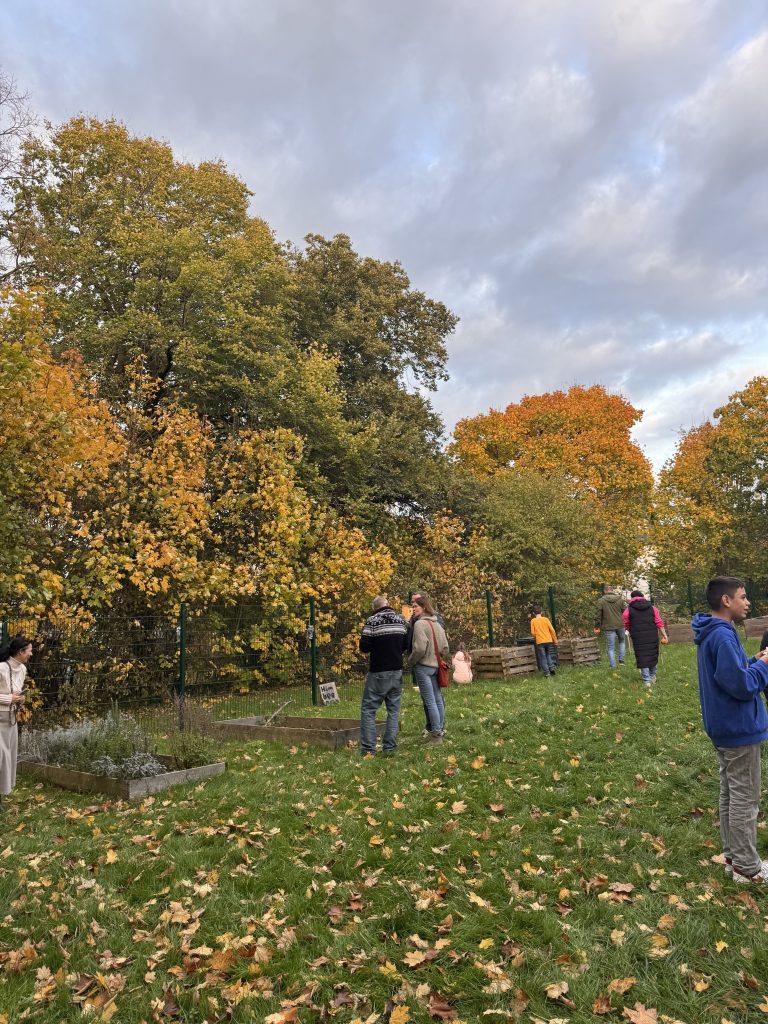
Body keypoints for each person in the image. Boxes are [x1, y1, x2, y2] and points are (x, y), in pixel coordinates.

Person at [693, 577, 768, 884]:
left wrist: (755, 660)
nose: (747, 602)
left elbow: (730, 672)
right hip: (738, 727)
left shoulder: (713, 631)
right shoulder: (723, 636)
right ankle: (747, 868)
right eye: (742, 596)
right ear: (726, 601)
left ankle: (733, 857)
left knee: (730, 794)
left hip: (723, 725)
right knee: (745, 798)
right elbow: (741, 685)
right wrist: (765, 668)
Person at [359, 596, 408, 757]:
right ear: (387, 605)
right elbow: (405, 645)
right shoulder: (400, 621)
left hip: (378, 671)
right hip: (397, 670)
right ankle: (390, 747)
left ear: (375, 608)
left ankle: (368, 749)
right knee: (393, 710)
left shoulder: (372, 621)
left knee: (368, 709)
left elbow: (364, 647)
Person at [408, 593, 450, 744]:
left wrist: (411, 660)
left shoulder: (419, 624)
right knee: (438, 699)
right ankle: (440, 731)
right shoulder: (437, 624)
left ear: (424, 607)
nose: (413, 609)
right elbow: (445, 648)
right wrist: (436, 655)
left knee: (430, 701)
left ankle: (436, 735)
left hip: (423, 667)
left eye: (415, 606)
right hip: (435, 667)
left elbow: (419, 648)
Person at [0, 636, 33, 808]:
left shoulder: (23, 669)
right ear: (20, 652)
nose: (31, 653)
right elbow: (6, 696)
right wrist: (8, 698)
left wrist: (19, 699)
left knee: (8, 758)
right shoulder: (1, 668)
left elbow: (16, 693)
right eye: (29, 650)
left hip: (11, 719)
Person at [623, 589, 668, 686]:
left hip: (637, 636)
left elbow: (626, 623)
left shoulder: (628, 610)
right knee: (652, 654)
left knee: (642, 656)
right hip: (652, 635)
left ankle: (647, 681)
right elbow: (659, 622)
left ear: (632, 598)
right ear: (642, 597)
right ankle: (653, 676)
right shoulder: (653, 608)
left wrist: (628, 630)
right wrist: (664, 634)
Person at [595, 586, 627, 669]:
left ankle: (612, 665)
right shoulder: (620, 599)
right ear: (612, 591)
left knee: (611, 646)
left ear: (605, 591)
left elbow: (598, 614)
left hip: (608, 626)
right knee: (622, 641)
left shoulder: (601, 601)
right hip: (620, 624)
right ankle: (621, 661)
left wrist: (597, 626)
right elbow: (625, 612)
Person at [530, 605, 557, 677]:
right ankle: (551, 668)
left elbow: (532, 633)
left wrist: (536, 636)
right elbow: (552, 630)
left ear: (533, 613)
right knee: (548, 654)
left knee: (543, 657)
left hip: (540, 642)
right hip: (548, 640)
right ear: (541, 612)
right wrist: (555, 640)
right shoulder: (546, 619)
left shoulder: (533, 621)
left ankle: (547, 673)